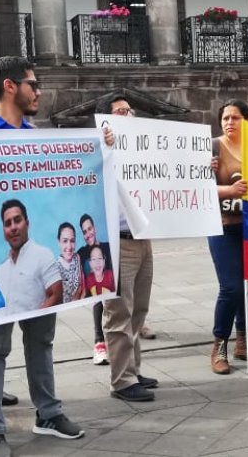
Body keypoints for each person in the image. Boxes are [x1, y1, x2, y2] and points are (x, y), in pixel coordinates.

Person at [0, 57, 84, 457]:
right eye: (34, 83)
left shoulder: (37, 136)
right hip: (1, 277)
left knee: (41, 343)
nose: (40, 90)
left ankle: (48, 413)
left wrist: (103, 148)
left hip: (33, 268)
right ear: (11, 86)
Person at [98, 94, 160, 402]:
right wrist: (102, 144)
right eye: (121, 112)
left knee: (138, 310)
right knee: (119, 313)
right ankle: (121, 380)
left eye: (130, 110)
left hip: (142, 237)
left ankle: (133, 369)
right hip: (118, 240)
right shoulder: (100, 150)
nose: (129, 115)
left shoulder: (140, 149)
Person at [210, 99, 248, 374]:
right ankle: (219, 346)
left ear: (247, 120)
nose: (229, 122)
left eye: (234, 117)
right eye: (225, 118)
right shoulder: (212, 147)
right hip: (222, 225)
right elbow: (196, 189)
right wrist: (228, 191)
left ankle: (243, 342)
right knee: (230, 287)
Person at [77, 213, 112, 366]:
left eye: (89, 229)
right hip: (94, 292)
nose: (88, 234)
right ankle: (99, 343)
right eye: (84, 232)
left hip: (110, 288)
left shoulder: (107, 247)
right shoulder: (82, 253)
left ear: (95, 229)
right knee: (97, 297)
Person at [55, 223, 83, 303]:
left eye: (72, 241)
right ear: (58, 242)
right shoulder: (55, 270)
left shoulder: (77, 258)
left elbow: (80, 285)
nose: (69, 246)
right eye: (65, 241)